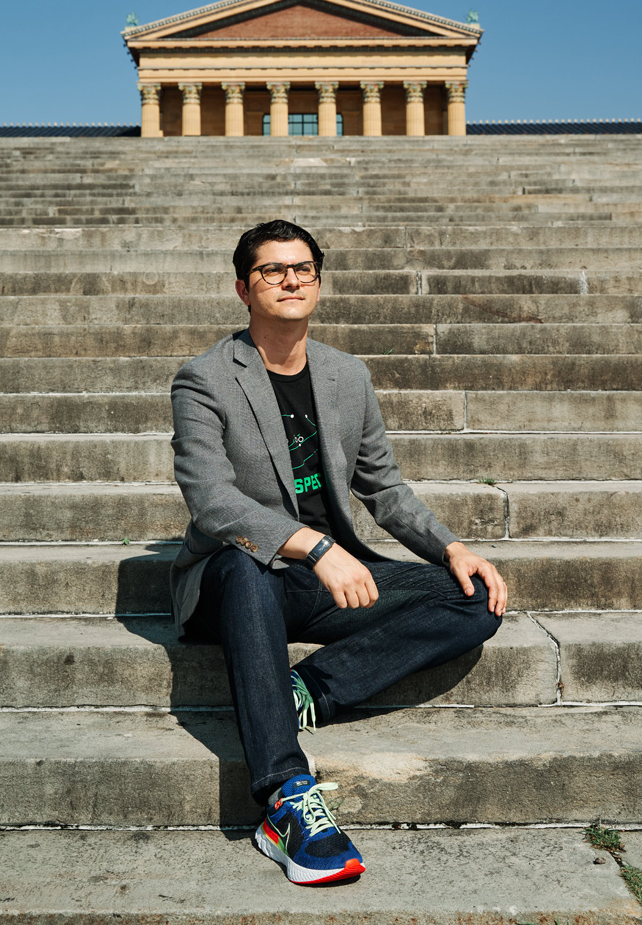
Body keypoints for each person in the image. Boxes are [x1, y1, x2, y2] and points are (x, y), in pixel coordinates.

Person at [170, 220, 507, 886]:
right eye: (272, 270)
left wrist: (453, 548)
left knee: (473, 599)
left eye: (302, 269)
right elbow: (211, 500)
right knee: (244, 559)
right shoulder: (204, 379)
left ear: (317, 283)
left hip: (324, 584)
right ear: (243, 287)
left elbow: (382, 487)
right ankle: (286, 799)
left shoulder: (345, 375)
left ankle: (306, 688)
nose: (290, 279)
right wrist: (315, 546)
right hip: (234, 584)